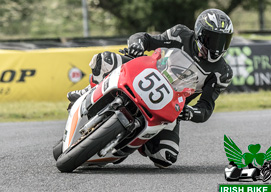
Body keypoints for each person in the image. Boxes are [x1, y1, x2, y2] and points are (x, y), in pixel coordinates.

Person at [67, 8, 234, 168]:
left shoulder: (222, 72)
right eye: (213, 39)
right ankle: (87, 92)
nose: (217, 47)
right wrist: (137, 45)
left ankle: (140, 139)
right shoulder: (180, 34)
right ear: (199, 34)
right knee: (105, 60)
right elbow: (145, 38)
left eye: (223, 41)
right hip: (144, 74)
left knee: (166, 156)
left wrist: (190, 112)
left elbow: (206, 107)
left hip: (170, 105)